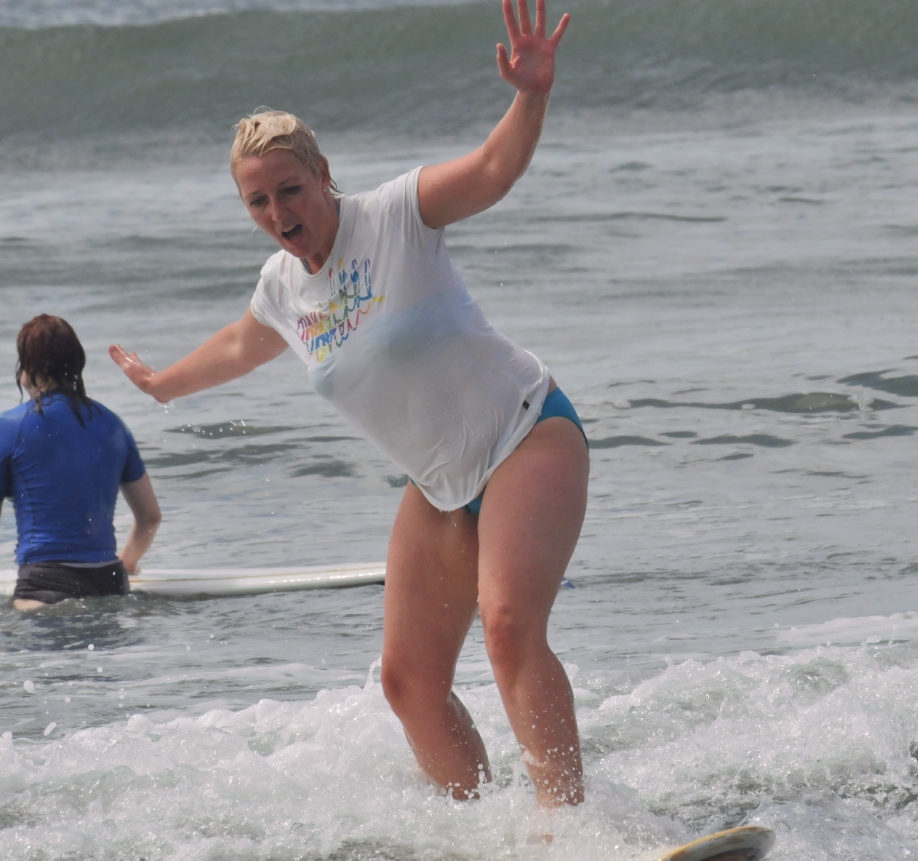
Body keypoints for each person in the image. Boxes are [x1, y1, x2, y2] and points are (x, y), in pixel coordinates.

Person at [108, 0, 585, 806]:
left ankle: (570, 829)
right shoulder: (283, 288)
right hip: (438, 486)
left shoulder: (399, 213)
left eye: (289, 190)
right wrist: (161, 386)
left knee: (508, 629)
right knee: (409, 684)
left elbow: (494, 169)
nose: (278, 215)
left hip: (526, 433)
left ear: (322, 175)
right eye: (258, 204)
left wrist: (530, 96)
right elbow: (239, 344)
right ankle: (488, 830)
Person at [0, 315, 162, 612]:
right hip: (110, 581)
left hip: (44, 586)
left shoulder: (8, 426)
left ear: (29, 368)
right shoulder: (113, 424)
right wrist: (127, 562)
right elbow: (150, 517)